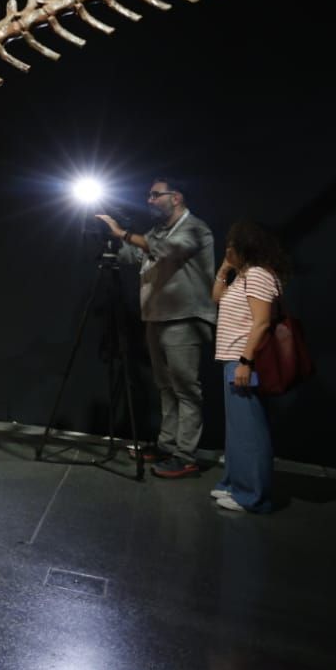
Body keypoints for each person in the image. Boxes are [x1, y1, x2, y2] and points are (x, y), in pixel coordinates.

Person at [96, 177, 216, 479]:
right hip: (157, 316)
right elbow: (134, 255)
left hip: (184, 318)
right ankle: (167, 445)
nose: (149, 200)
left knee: (186, 390)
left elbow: (166, 251)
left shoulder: (195, 228)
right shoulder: (158, 231)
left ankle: (185, 456)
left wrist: (124, 233)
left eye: (155, 195)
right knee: (165, 386)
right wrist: (110, 238)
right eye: (148, 195)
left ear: (176, 197)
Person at [210, 220, 287, 513]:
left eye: (232, 244)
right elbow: (217, 298)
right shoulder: (243, 275)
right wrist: (224, 270)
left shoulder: (257, 275)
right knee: (238, 430)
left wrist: (245, 361)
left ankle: (253, 496)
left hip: (244, 359)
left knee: (250, 430)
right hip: (233, 358)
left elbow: (262, 322)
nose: (228, 249)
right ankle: (234, 484)